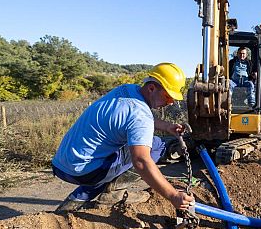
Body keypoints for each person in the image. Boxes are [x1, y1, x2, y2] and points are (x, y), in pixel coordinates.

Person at [51, 62, 195, 212]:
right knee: (155, 146)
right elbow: (141, 161)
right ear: (152, 88)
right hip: (83, 173)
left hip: (62, 163)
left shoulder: (127, 89)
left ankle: (77, 198)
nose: (170, 102)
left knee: (132, 145)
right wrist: (173, 195)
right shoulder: (140, 116)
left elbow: (131, 118)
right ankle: (113, 195)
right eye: (168, 96)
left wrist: (166, 126)